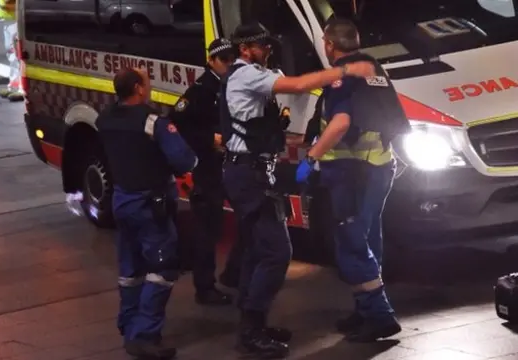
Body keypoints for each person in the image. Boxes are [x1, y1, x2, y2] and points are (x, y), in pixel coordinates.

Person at [221, 22, 376, 358]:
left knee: (254, 250)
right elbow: (300, 83)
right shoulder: (246, 75)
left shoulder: (255, 73)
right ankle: (251, 329)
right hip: (248, 176)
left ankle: (253, 325)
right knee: (277, 253)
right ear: (246, 49)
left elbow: (294, 94)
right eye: (262, 45)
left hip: (252, 172)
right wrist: (346, 69)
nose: (268, 50)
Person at [295, 18, 411, 342]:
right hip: (380, 167)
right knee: (369, 240)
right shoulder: (373, 68)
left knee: (352, 243)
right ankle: (364, 310)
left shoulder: (342, 78)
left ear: (329, 45)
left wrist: (311, 157)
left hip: (355, 173)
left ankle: (379, 315)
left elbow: (340, 124)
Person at [96, 67, 197, 359]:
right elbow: (184, 159)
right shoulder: (153, 122)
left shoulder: (106, 119)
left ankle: (129, 326)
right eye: (147, 82)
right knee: (163, 268)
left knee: (131, 268)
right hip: (150, 205)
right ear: (139, 88)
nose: (149, 87)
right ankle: (144, 335)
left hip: (121, 201)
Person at [170, 38, 244, 306]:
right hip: (210, 168)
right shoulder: (201, 90)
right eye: (223, 60)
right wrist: (207, 140)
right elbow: (177, 122)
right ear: (211, 60)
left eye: (232, 59)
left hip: (233, 164)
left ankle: (234, 274)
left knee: (249, 219)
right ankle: (205, 287)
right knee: (208, 230)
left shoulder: (233, 84)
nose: (229, 64)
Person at [0, 0, 23, 102]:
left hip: (16, 18)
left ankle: (22, 87)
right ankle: (14, 84)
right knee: (12, 53)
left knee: (19, 53)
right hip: (9, 18)